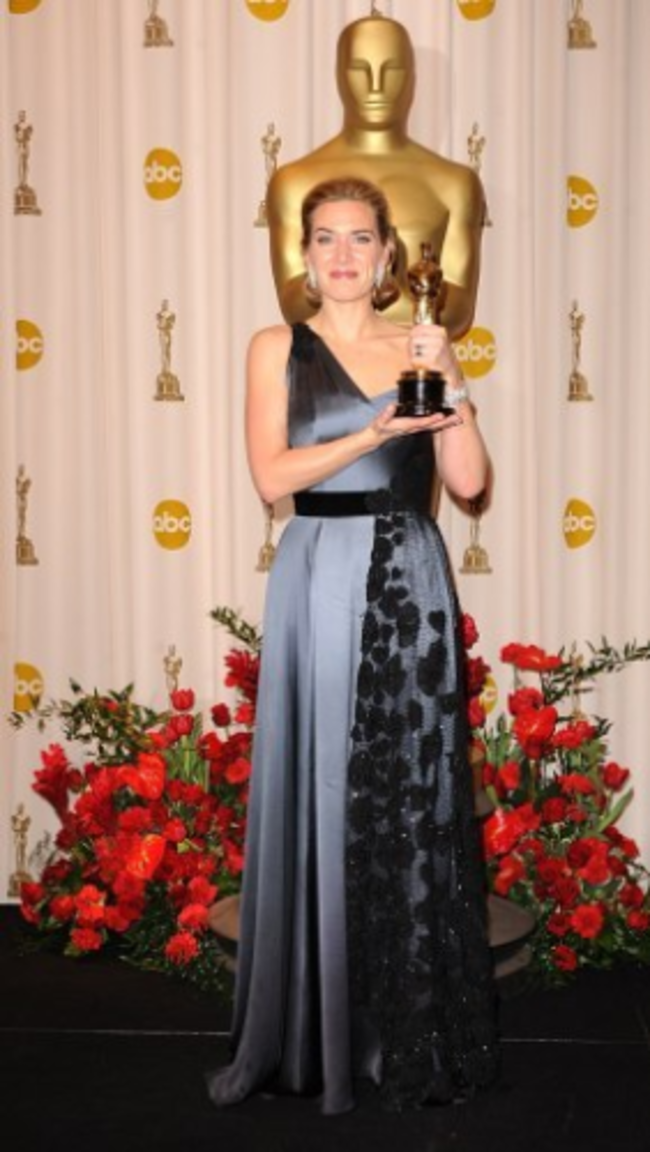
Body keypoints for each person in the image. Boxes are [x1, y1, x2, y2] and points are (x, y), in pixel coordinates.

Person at [207, 177, 499, 1115]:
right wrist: (373, 429)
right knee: (326, 788)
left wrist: (452, 382)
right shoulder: (276, 347)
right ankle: (316, 1031)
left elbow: (469, 482)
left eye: (360, 238)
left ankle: (400, 1029)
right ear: (305, 255)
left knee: (407, 794)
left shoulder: (422, 344)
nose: (341, 254)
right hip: (317, 569)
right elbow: (270, 476)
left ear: (386, 258)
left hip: (409, 572)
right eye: (325, 237)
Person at [266, 14, 485, 337]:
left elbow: (459, 309)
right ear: (339, 75)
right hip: (328, 364)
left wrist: (390, 295)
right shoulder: (293, 182)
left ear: (411, 78)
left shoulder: (455, 184)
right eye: (360, 69)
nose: (376, 85)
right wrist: (388, 291)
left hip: (417, 363)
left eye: (392, 70)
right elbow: (293, 306)